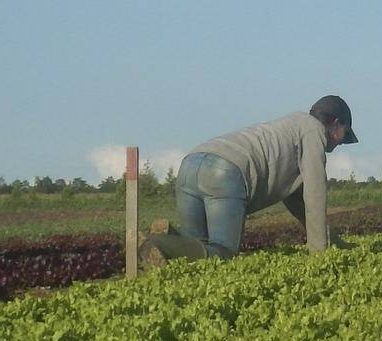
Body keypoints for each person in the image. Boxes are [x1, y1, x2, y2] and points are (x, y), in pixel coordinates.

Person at [145, 96, 357, 262]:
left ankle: (170, 237)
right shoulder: (314, 131)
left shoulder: (292, 126)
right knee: (222, 254)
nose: (340, 144)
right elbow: (315, 196)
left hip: (190, 165)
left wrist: (336, 244)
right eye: (344, 135)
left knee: (195, 250)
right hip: (225, 172)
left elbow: (300, 205)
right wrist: (320, 255)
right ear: (336, 124)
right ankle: (157, 242)